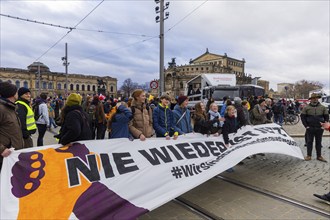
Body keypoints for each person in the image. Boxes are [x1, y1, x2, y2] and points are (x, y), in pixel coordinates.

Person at [0, 82, 24, 171]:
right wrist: (1, 149)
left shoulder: (10, 108)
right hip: (4, 156)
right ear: (13, 94)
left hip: (12, 155)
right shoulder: (2, 109)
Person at [301, 93, 329, 162]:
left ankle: (319, 156)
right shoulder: (306, 107)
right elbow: (303, 117)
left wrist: (324, 125)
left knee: (319, 142)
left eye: (316, 98)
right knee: (309, 142)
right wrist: (306, 126)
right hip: (310, 127)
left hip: (319, 128)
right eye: (313, 98)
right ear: (311, 99)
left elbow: (327, 117)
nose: (315, 99)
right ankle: (308, 155)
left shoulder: (322, 107)